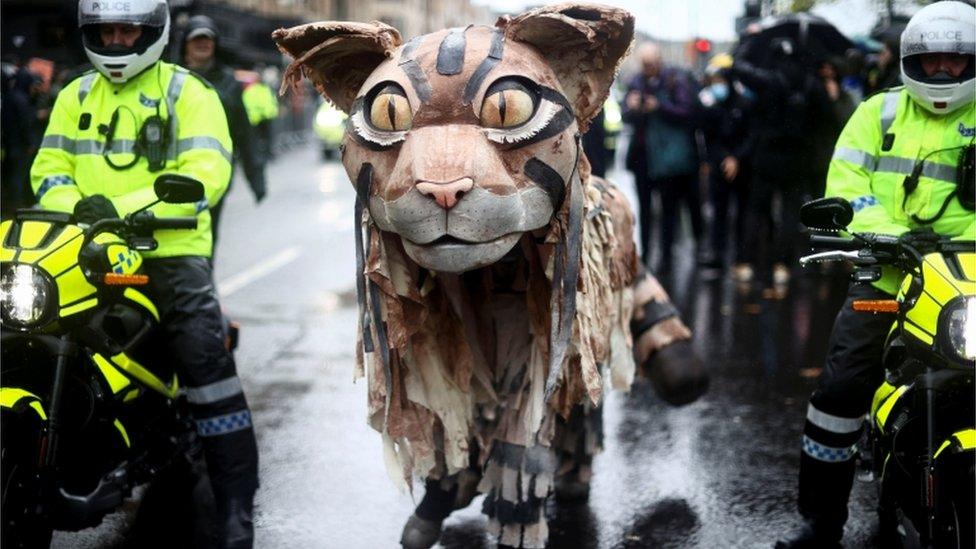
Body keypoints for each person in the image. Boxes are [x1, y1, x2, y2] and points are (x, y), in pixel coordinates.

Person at [29, 1, 259, 547]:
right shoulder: (74, 94)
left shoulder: (188, 92)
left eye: (126, 28)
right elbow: (48, 169)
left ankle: (234, 505)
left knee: (208, 373)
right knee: (32, 332)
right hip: (86, 250)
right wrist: (82, 210)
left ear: (152, 31)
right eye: (104, 30)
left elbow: (206, 172)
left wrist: (118, 205)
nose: (114, 40)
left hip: (168, 253)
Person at [776, 3, 975, 547]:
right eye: (928, 60)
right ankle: (821, 520)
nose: (940, 72)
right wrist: (890, 232)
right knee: (840, 391)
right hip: (889, 277)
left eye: (954, 63)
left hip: (970, 284)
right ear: (911, 60)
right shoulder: (878, 114)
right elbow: (846, 184)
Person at [731, 37, 824, 285]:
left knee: (756, 210)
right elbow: (824, 117)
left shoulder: (768, 80)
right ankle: (782, 265)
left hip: (767, 156)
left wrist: (747, 43)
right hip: (797, 158)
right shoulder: (810, 84)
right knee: (790, 215)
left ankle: (747, 263)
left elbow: (737, 68)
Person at [181, 14, 266, 252]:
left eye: (207, 39)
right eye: (196, 38)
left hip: (214, 174)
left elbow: (244, 132)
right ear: (185, 43)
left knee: (207, 236)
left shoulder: (228, 82)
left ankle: (202, 282)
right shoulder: (171, 79)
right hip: (175, 171)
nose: (202, 43)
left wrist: (256, 178)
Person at [623, 42, 702, 271]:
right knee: (645, 211)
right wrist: (632, 107)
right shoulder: (636, 82)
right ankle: (646, 255)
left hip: (668, 160)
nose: (648, 68)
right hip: (642, 158)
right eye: (644, 64)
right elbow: (626, 115)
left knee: (669, 210)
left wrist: (659, 106)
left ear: (659, 61)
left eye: (651, 64)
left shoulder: (674, 80)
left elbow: (687, 112)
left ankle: (666, 257)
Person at [698, 54, 754, 270]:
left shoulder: (745, 102)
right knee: (718, 213)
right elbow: (708, 136)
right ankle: (717, 254)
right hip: (719, 166)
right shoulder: (710, 105)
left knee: (741, 214)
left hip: (742, 167)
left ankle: (741, 256)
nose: (717, 86)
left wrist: (736, 158)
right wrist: (722, 158)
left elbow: (751, 136)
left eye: (720, 81)